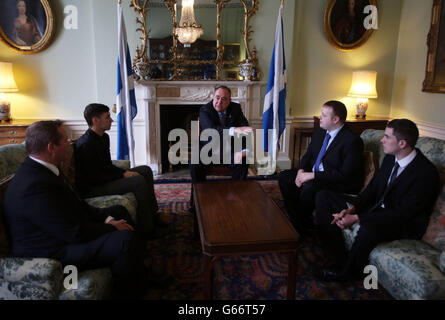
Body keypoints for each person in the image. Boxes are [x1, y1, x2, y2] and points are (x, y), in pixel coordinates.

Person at [4, 120, 148, 298]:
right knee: (124, 240)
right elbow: (72, 233)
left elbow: (78, 205)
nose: (69, 142)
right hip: (51, 251)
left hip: (64, 233)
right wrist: (111, 227)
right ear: (51, 147)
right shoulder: (34, 185)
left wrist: (108, 219)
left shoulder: (45, 169)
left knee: (118, 211)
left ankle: (140, 269)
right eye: (65, 139)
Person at [314, 119, 440, 281]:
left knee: (369, 226)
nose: (382, 140)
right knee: (324, 196)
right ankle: (338, 256)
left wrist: (358, 217)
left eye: (387, 137)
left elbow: (403, 214)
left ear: (402, 143)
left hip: (403, 223)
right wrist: (352, 209)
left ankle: (347, 273)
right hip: (377, 208)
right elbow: (373, 189)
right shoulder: (390, 158)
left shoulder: (425, 173)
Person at [75, 103, 169, 237]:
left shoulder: (104, 137)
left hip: (103, 179)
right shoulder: (86, 144)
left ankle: (154, 215)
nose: (112, 120)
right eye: (107, 117)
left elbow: (107, 165)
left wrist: (123, 173)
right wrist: (123, 175)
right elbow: (94, 177)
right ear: (95, 120)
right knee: (138, 181)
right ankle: (147, 229)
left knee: (146, 170)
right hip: (93, 187)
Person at [278, 100, 364, 236]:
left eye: (323, 115)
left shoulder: (352, 141)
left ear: (335, 119)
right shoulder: (320, 131)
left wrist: (312, 176)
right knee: (284, 177)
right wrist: (301, 171)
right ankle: (299, 220)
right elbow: (307, 156)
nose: (319, 117)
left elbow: (344, 175)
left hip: (336, 182)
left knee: (311, 187)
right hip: (315, 174)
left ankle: (299, 227)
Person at [189, 85, 254, 183]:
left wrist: (245, 150)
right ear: (213, 97)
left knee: (242, 162)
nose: (219, 102)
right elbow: (212, 131)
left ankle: (237, 194)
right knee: (194, 161)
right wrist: (234, 130)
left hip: (230, 150)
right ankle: (199, 194)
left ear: (229, 100)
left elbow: (244, 128)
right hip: (208, 150)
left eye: (224, 99)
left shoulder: (235, 108)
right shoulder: (205, 110)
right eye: (217, 98)